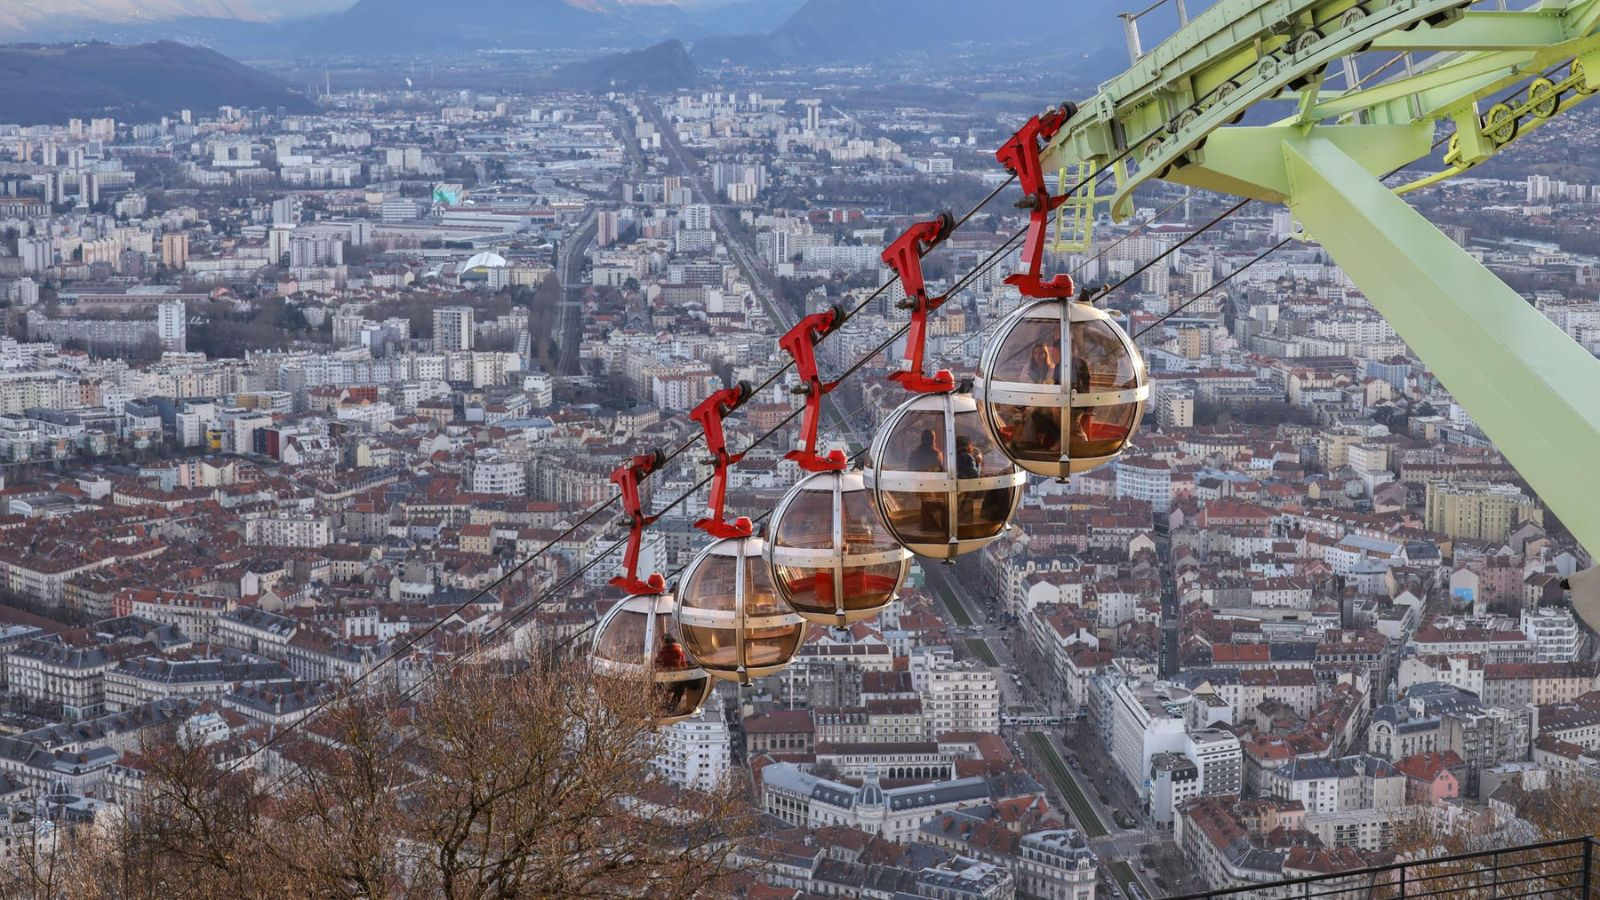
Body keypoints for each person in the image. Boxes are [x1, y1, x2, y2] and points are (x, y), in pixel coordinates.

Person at [653, 633, 692, 716]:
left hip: (664, 680)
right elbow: (684, 665)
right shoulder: (679, 650)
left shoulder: (663, 651)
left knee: (657, 690)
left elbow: (657, 664)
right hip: (676, 680)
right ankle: (671, 708)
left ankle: (660, 705)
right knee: (679, 692)